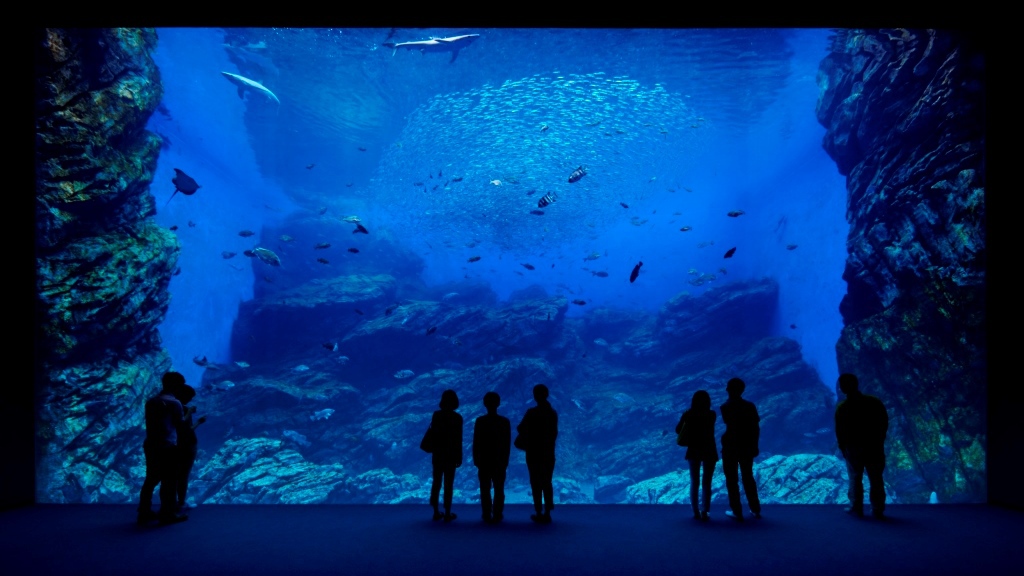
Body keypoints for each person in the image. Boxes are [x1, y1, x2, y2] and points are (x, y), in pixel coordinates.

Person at [138, 371, 190, 525]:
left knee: (151, 479)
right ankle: (167, 513)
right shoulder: (174, 403)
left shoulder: (151, 401)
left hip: (151, 444)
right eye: (180, 385)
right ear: (175, 385)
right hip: (167, 446)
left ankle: (144, 512)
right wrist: (189, 412)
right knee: (169, 481)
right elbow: (180, 424)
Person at [835, 373, 889, 518]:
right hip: (874, 446)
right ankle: (878, 509)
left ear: (842, 388)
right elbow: (884, 423)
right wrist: (880, 440)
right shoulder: (874, 402)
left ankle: (856, 506)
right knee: (876, 478)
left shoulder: (843, 408)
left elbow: (840, 431)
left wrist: (842, 447)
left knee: (855, 477)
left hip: (853, 448)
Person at [720, 377, 762, 521]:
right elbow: (755, 428)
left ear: (729, 389)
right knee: (748, 477)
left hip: (730, 446)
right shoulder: (750, 406)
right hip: (747, 445)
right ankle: (755, 509)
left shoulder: (725, 407)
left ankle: (737, 511)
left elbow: (729, 425)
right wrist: (755, 445)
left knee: (731, 480)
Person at [516, 383, 558, 523]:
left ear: (535, 396)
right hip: (548, 452)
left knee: (535, 481)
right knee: (547, 481)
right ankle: (547, 512)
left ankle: (538, 511)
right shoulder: (552, 413)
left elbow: (520, 427)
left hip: (533, 452)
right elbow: (553, 434)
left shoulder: (531, 412)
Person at [676, 389, 718, 521]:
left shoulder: (688, 414)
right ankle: (705, 511)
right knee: (707, 482)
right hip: (709, 450)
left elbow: (678, 430)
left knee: (694, 481)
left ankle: (695, 511)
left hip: (693, 450)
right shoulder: (712, 414)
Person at [472, 391, 511, 524]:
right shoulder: (505, 422)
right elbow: (507, 444)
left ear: (484, 404)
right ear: (499, 404)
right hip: (499, 460)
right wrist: (505, 460)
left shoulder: (480, 421)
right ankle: (498, 513)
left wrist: (476, 459)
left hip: (484, 460)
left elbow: (476, 442)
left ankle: (486, 513)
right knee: (499, 488)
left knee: (484, 488)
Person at [429, 389, 463, 522]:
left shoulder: (436, 415)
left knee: (436, 482)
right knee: (449, 483)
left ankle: (436, 511)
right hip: (451, 454)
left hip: (438, 453)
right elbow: (458, 439)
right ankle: (448, 512)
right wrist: (459, 457)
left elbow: (434, 433)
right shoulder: (457, 418)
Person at [174, 384, 207, 514]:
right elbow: (185, 429)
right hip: (186, 446)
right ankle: (181, 502)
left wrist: (197, 421)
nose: (189, 400)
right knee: (183, 476)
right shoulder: (182, 409)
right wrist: (196, 419)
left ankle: (175, 502)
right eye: (189, 397)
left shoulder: (172, 407)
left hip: (176, 445)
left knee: (176, 476)